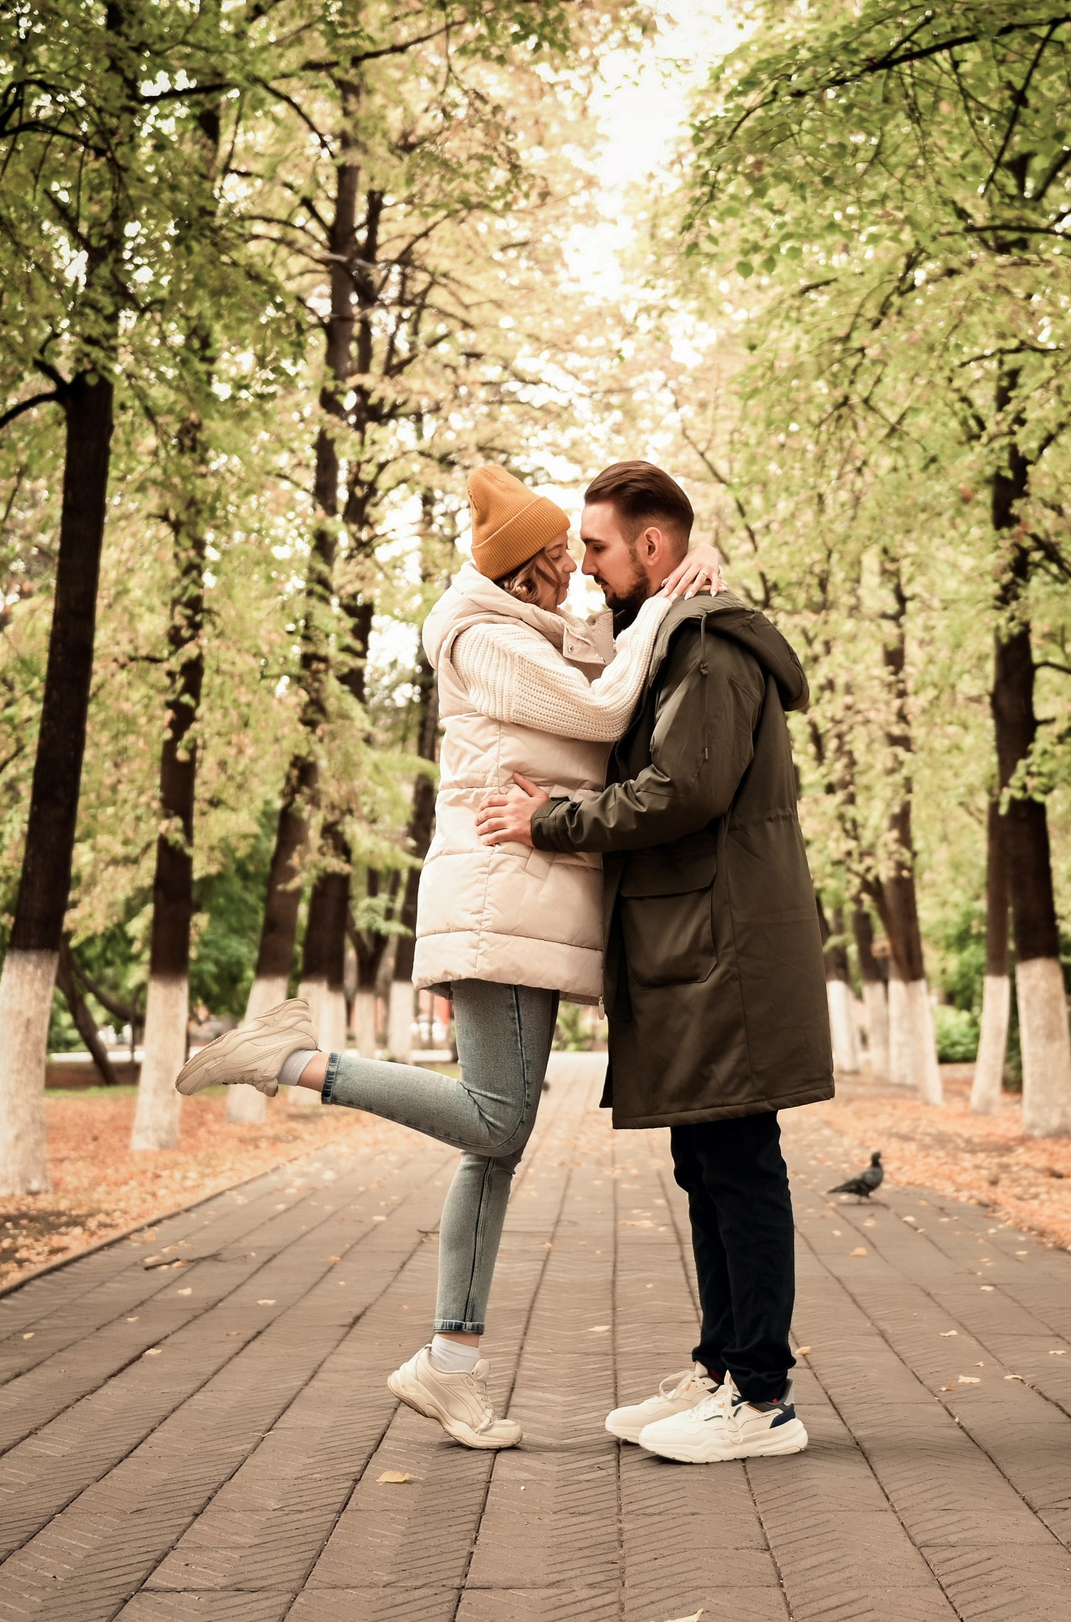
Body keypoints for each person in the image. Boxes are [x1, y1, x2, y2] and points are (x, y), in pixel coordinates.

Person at [176, 463, 722, 1449]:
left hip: (527, 899)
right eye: (561, 554)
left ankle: (450, 1365)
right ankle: (289, 1058)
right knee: (496, 1117)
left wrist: (691, 569)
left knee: (492, 1143)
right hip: (501, 899)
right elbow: (604, 712)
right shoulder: (487, 643)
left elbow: (613, 638)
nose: (576, 570)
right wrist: (652, 625)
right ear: (525, 570)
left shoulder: (534, 629)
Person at [477, 459, 834, 1464]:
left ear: (651, 545)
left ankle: (760, 1396)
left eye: (595, 545)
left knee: (738, 1161)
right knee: (708, 1160)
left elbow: (678, 790)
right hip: (697, 941)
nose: (583, 566)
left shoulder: (710, 651)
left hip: (723, 945)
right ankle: (725, 1365)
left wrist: (547, 819)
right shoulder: (668, 639)